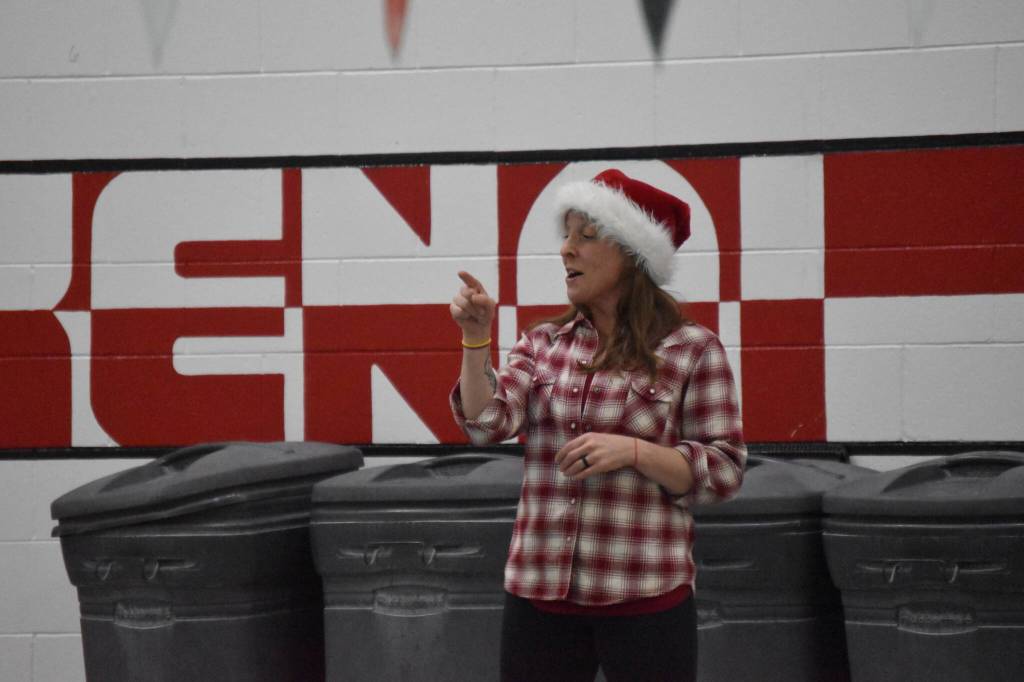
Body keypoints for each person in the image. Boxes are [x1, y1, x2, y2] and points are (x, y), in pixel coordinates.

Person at [449, 168, 746, 682]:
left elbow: (723, 471)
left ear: (635, 257)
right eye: (566, 235)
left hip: (645, 595)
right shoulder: (543, 343)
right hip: (539, 594)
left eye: (587, 236)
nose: (567, 249)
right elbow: (486, 425)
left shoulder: (692, 348)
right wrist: (476, 340)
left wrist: (635, 453)